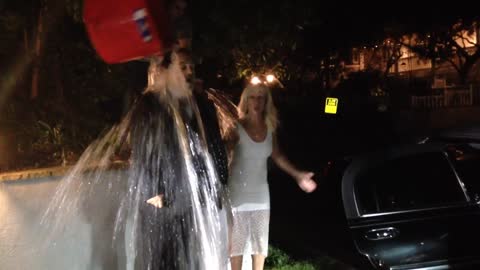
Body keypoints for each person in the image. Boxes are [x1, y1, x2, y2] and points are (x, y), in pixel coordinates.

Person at [129, 48, 230, 270]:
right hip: (162, 197)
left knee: (188, 253)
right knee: (161, 258)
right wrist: (153, 189)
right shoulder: (150, 105)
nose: (189, 72)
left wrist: (218, 182)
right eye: (183, 66)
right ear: (167, 71)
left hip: (190, 195)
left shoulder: (200, 104)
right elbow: (142, 150)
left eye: (192, 67)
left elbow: (212, 145)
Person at [226, 84, 317, 270]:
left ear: (266, 101)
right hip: (237, 195)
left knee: (259, 247)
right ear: (246, 100)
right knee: (237, 248)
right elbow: (224, 156)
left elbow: (278, 156)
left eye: (261, 97)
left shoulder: (270, 128)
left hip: (261, 196)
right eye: (253, 97)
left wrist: (298, 175)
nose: (257, 101)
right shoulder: (236, 127)